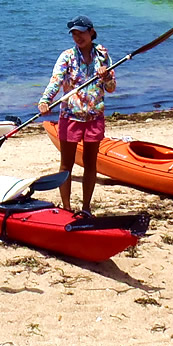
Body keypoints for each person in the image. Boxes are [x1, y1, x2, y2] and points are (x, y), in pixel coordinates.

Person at [37, 15, 117, 215]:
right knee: (66, 164)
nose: (77, 37)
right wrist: (45, 100)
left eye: (81, 32)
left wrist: (106, 76)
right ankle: (66, 208)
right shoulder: (67, 57)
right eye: (74, 33)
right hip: (70, 116)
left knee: (91, 164)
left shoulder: (102, 54)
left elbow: (111, 88)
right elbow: (56, 80)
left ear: (91, 31)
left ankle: (86, 208)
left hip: (94, 116)